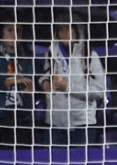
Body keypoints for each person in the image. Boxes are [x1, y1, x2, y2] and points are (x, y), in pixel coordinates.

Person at [38, 17, 106, 146]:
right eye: (60, 30)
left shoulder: (89, 56)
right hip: (54, 122)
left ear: (77, 30)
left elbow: (99, 91)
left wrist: (68, 87)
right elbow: (45, 74)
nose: (64, 33)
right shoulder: (50, 54)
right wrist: (44, 82)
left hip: (83, 124)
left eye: (68, 29)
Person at [0, 20, 36, 146]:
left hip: (22, 118)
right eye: (10, 30)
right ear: (1, 33)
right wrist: (11, 81)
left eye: (18, 31)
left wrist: (30, 91)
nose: (15, 34)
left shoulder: (27, 56)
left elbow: (34, 83)